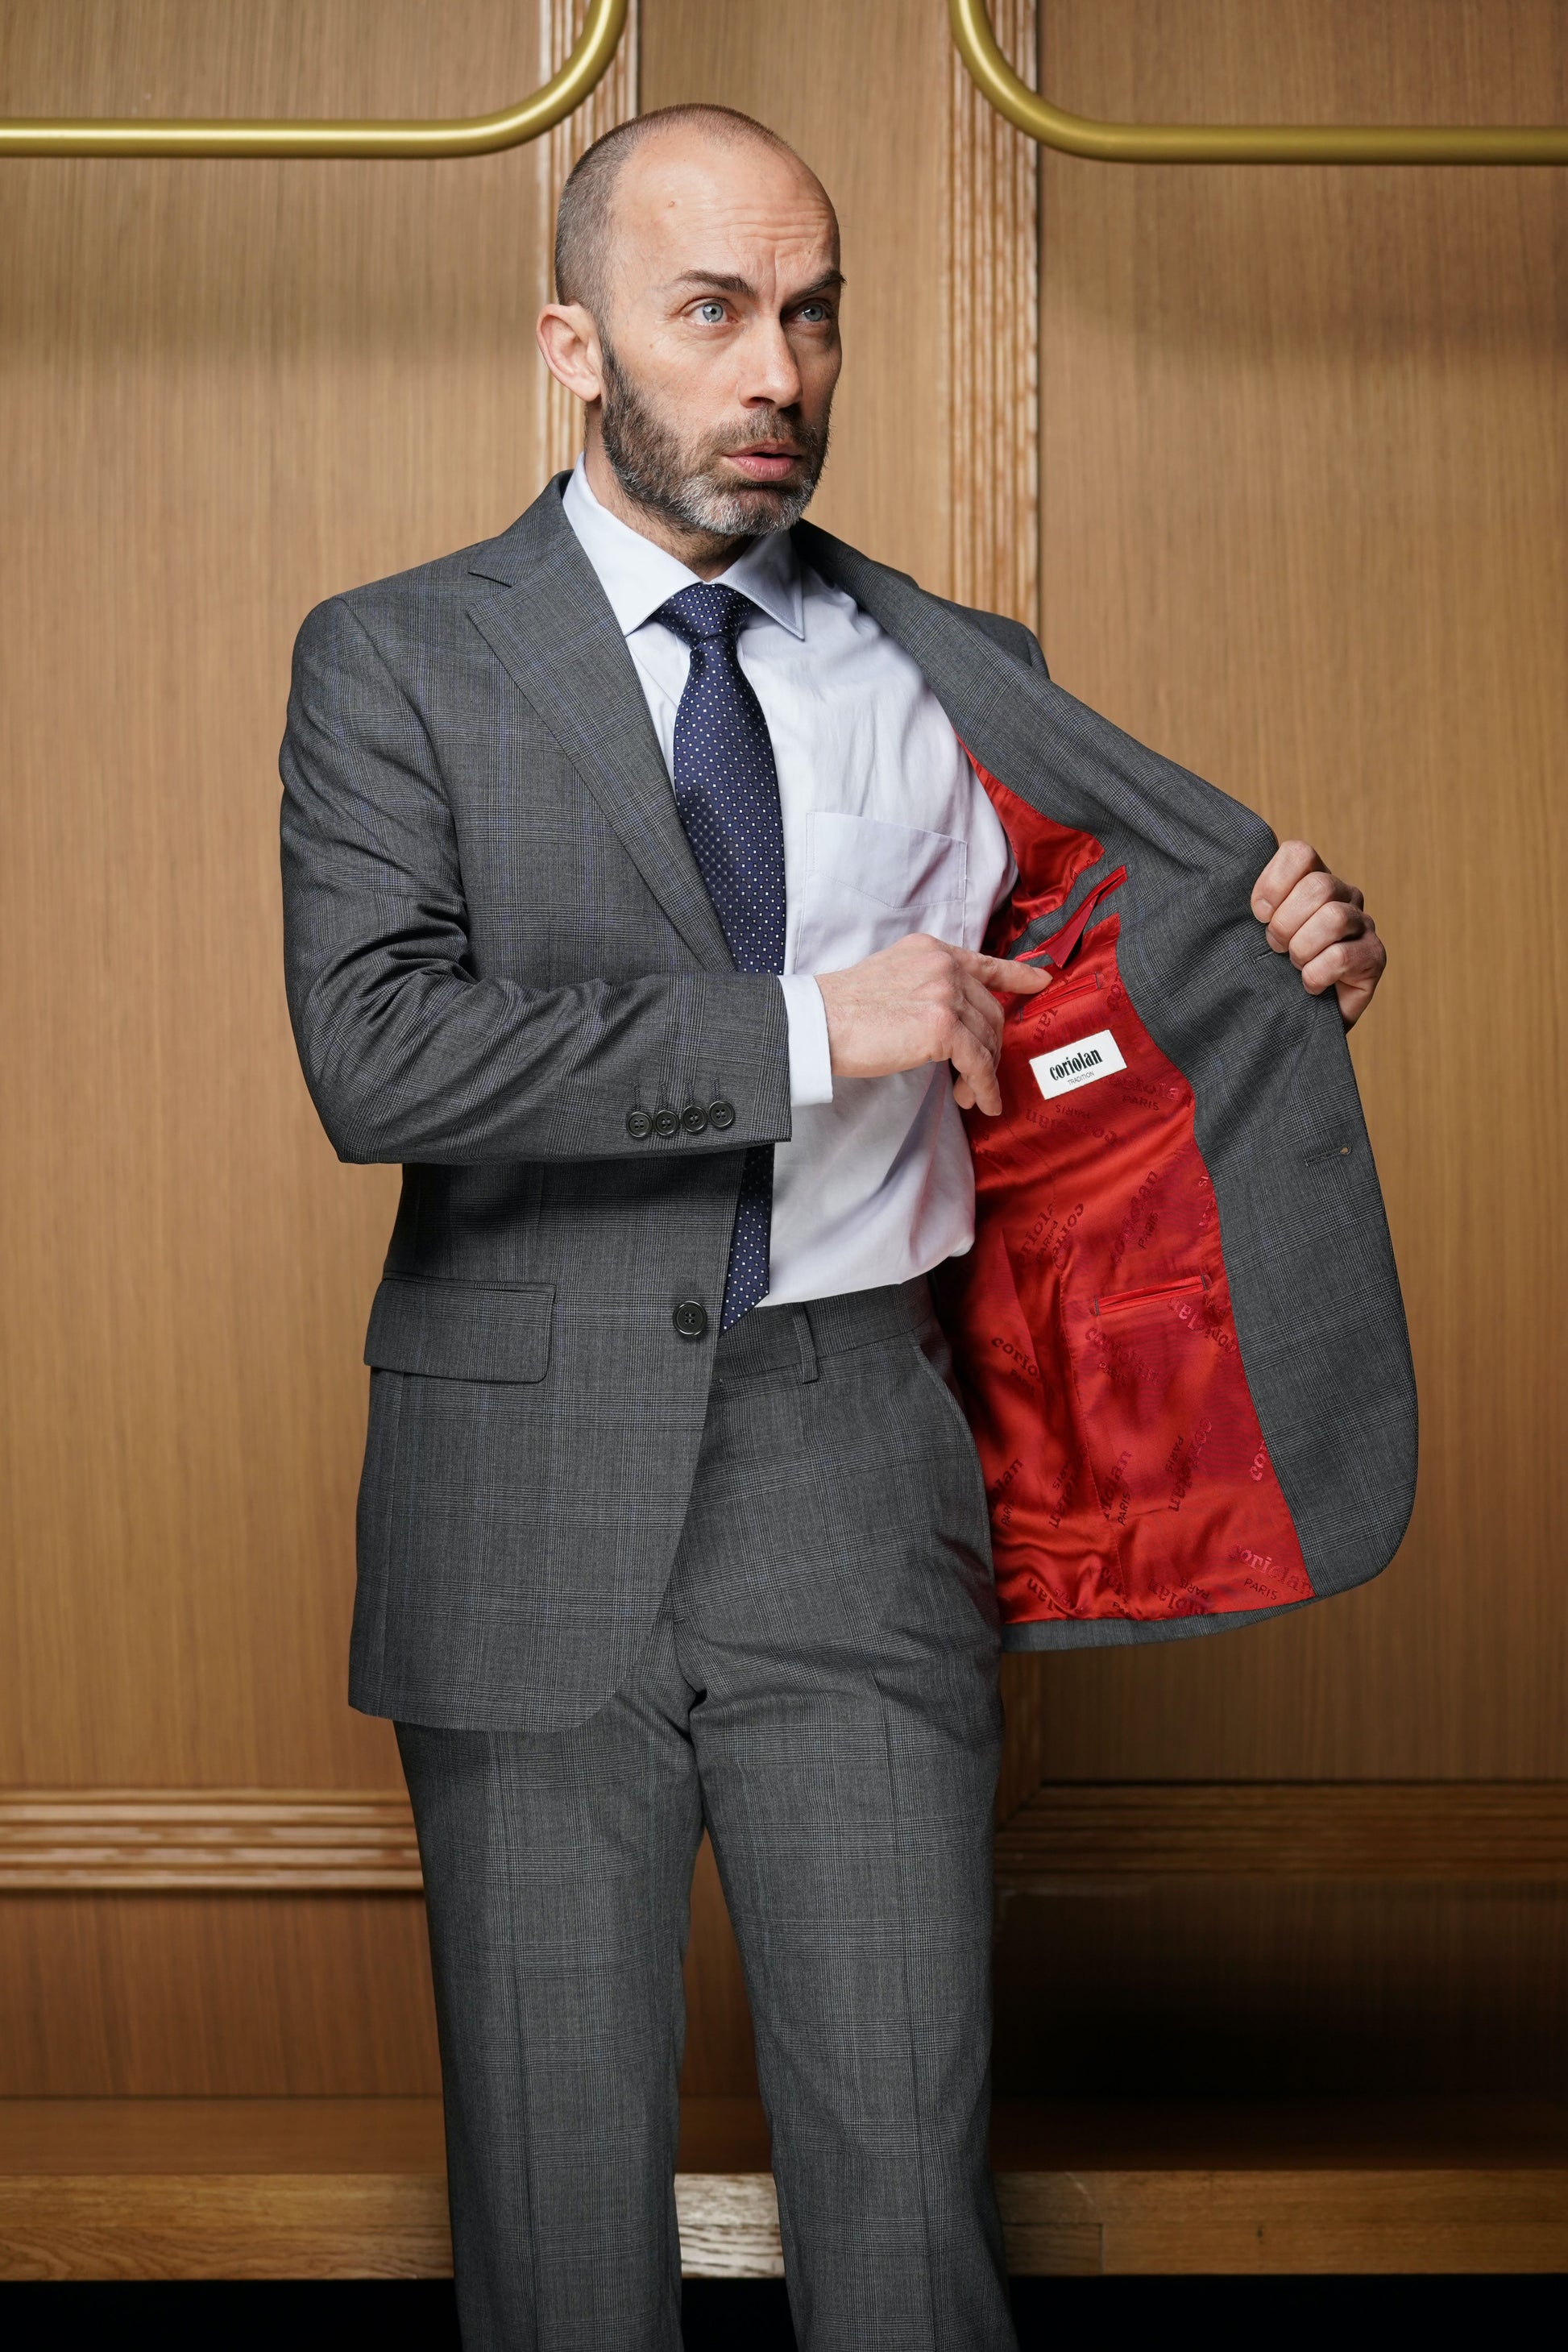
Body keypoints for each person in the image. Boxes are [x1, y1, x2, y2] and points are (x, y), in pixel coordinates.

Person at [280, 103, 1405, 2352]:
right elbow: (380, 1057)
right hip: (517, 1490)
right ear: (573, 343)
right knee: (555, 2236)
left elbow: (1101, 964)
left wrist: (1284, 938)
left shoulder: (947, 661)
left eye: (810, 316)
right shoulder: (396, 657)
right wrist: (810, 1030)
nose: (774, 372)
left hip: (854, 1468)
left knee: (901, 2209)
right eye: (710, 313)